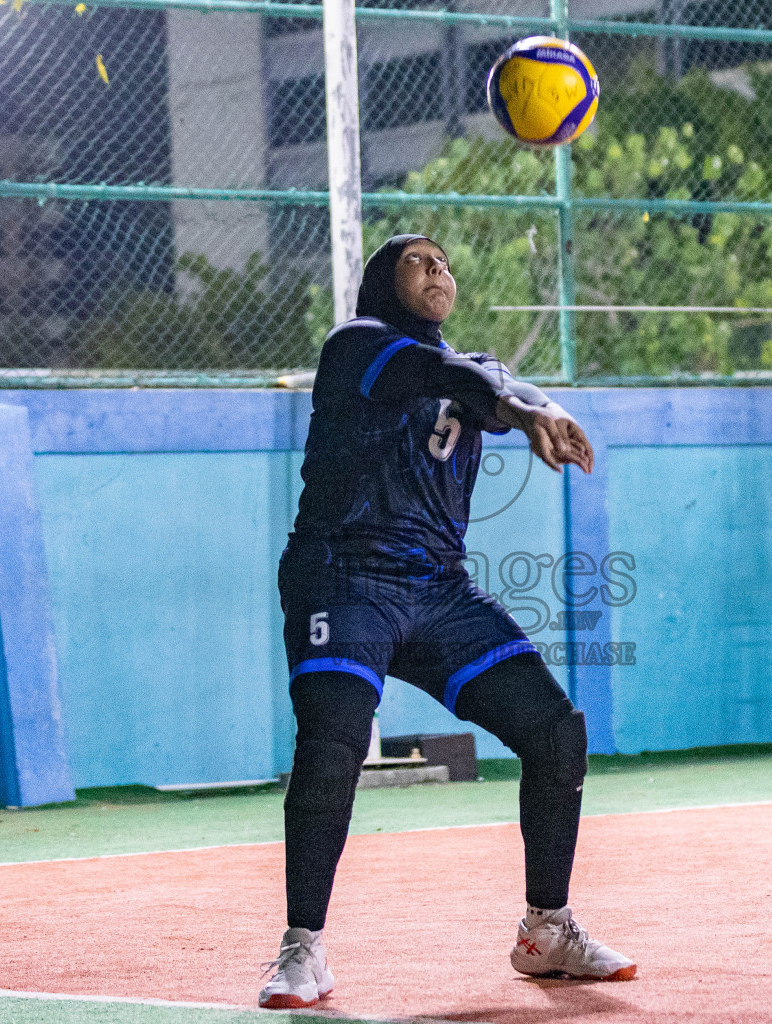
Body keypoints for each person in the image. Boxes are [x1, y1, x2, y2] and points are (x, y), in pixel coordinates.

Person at [259, 234, 636, 1010]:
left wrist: (539, 406)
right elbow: (447, 373)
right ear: (381, 282)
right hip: (343, 574)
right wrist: (520, 401)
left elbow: (487, 379)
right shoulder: (359, 344)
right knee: (332, 740)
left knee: (555, 730)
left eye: (446, 262)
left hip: (437, 588)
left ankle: (547, 931)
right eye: (418, 260)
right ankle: (302, 948)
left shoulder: (475, 371)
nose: (439, 269)